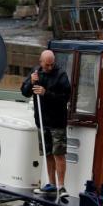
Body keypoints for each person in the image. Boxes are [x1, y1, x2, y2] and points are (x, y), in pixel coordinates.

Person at [21, 50, 71, 197]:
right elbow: (24, 92)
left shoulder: (61, 75)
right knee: (48, 153)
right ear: (41, 62)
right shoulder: (36, 73)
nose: (49, 67)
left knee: (59, 153)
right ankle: (51, 184)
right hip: (42, 121)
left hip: (57, 121)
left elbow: (65, 98)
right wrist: (30, 81)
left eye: (51, 64)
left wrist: (46, 93)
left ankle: (61, 187)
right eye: (47, 64)